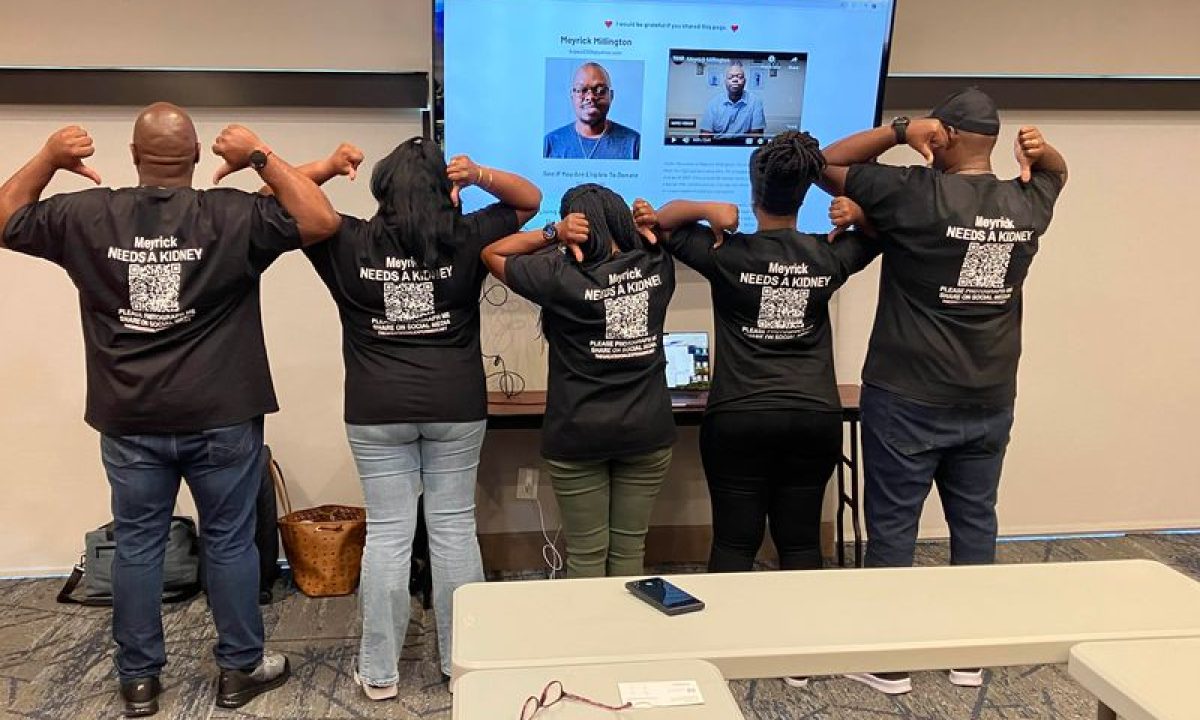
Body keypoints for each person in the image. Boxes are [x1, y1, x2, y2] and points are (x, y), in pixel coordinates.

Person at [0, 104, 340, 717]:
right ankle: (239, 670)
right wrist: (259, 155)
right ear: (195, 158)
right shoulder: (233, 212)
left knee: (137, 545)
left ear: (133, 156)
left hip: (130, 418)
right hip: (222, 415)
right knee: (231, 542)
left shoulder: (86, 215)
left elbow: (4, 218)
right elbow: (319, 218)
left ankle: (139, 682)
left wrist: (49, 159)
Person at [818, 87, 1068, 695]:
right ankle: (967, 653)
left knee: (895, 527)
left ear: (945, 135)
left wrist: (902, 129)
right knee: (975, 522)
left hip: (906, 394)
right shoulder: (1026, 201)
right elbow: (1058, 174)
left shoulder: (912, 193)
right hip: (989, 396)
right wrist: (1044, 151)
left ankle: (889, 661)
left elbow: (822, 163)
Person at [294, 137, 540, 698]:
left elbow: (283, 196)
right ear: (444, 190)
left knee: (388, 537)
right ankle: (465, 666)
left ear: (381, 189)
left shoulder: (346, 238)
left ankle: (380, 674)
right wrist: (476, 173)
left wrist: (328, 167)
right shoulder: (467, 235)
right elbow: (529, 199)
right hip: (455, 406)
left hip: (376, 410)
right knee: (453, 530)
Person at [650, 130, 877, 583]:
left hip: (739, 416)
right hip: (813, 416)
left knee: (734, 544)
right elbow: (883, 232)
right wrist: (859, 212)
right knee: (801, 544)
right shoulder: (825, 256)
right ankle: (801, 650)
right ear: (806, 191)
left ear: (753, 193)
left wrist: (706, 209)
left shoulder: (725, 253)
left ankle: (726, 647)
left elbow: (661, 224)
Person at [482, 184, 675, 578]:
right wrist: (652, 226)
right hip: (648, 429)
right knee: (629, 548)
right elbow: (692, 225)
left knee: (587, 555)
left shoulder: (558, 274)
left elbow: (492, 253)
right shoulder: (658, 265)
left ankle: (587, 638)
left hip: (577, 433)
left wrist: (553, 232)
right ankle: (628, 640)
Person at [544, 62, 641, 160]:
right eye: (582, 90)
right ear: (572, 96)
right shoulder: (551, 143)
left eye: (600, 90)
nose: (590, 97)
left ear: (611, 96)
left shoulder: (634, 143)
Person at [699, 60, 766, 138]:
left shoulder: (755, 102)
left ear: (745, 81)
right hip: (718, 146)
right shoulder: (713, 103)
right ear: (725, 82)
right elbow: (705, 133)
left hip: (744, 146)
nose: (735, 80)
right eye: (730, 77)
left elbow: (756, 135)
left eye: (740, 77)